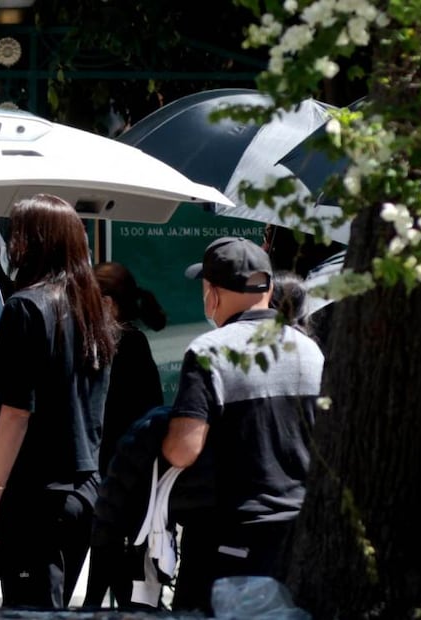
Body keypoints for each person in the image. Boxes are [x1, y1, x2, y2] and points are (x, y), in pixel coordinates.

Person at [0, 193, 119, 609]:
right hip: (84, 489)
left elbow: (16, 413)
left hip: (35, 497)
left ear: (31, 242)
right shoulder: (93, 311)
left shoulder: (25, 307)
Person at [162, 237, 325, 613]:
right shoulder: (309, 349)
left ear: (213, 293)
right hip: (298, 529)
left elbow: (183, 450)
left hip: (229, 535)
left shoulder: (209, 350)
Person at [82, 262, 167, 609]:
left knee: (110, 548)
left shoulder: (120, 344)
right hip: (126, 469)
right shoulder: (130, 342)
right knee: (111, 552)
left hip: (117, 468)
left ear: (108, 303)